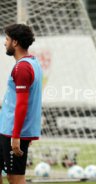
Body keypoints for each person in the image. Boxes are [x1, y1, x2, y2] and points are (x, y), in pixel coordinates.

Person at [0, 24, 42, 184]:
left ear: (15, 43)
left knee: (15, 179)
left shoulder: (23, 68)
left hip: (13, 132)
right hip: (5, 129)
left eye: (7, 39)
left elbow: (23, 104)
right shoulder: (32, 62)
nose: (5, 43)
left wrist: (17, 136)